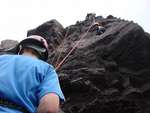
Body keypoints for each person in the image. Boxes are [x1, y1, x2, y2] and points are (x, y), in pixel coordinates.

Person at [0, 35, 65, 113]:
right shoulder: (47, 69)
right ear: (43, 53)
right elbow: (49, 109)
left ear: (21, 48)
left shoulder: (2, 59)